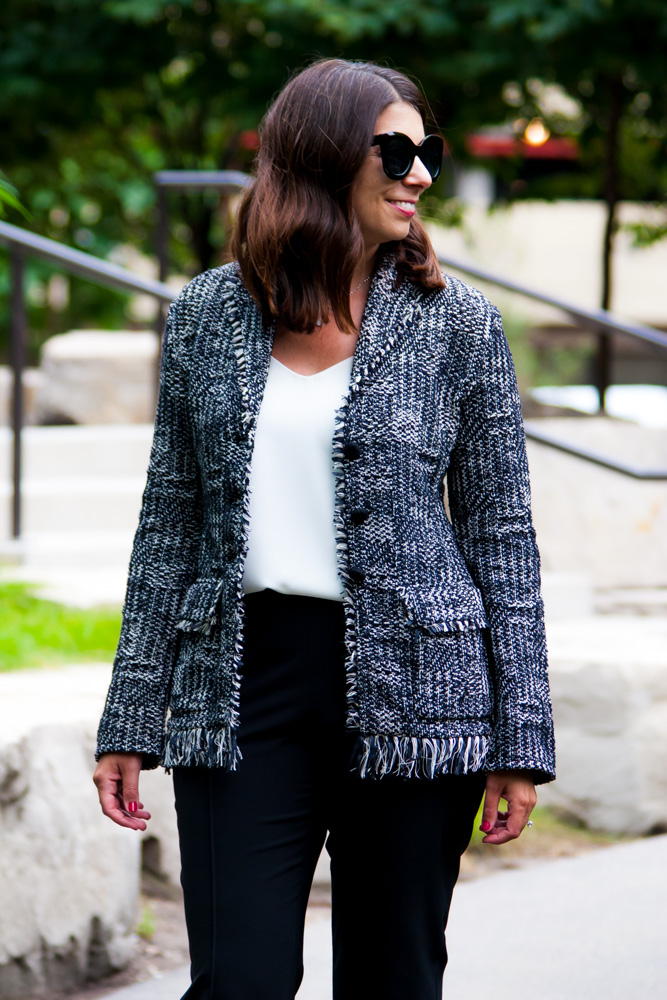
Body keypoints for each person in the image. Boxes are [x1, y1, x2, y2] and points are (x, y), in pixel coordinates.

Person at [94, 57, 556, 1000]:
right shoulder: (204, 317)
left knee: (392, 981)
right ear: (318, 154)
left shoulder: (459, 326)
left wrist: (521, 733)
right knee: (237, 980)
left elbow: (501, 534)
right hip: (240, 685)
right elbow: (169, 521)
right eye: (396, 150)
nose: (420, 172)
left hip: (420, 694)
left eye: (427, 151)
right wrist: (131, 712)